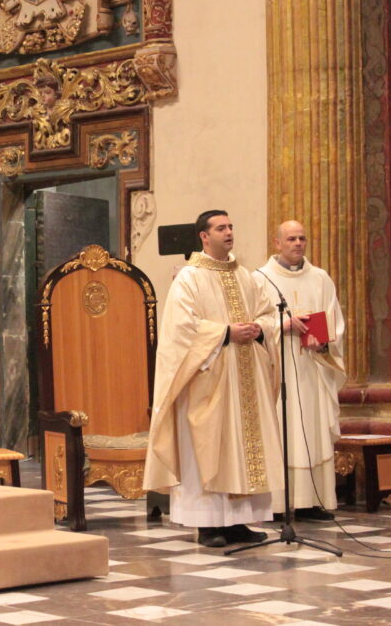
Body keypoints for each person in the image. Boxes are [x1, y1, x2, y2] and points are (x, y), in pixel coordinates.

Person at [144, 210, 284, 547]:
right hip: (209, 379)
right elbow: (180, 330)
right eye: (221, 228)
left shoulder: (246, 276)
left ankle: (238, 523)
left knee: (243, 449)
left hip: (245, 378)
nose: (229, 232)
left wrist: (259, 328)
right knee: (209, 447)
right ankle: (207, 525)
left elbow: (267, 313)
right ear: (204, 237)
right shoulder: (189, 278)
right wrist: (225, 332)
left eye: (231, 226)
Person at [253, 220, 346, 521]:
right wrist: (284, 325)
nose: (297, 244)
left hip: (312, 367)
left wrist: (324, 343)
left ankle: (312, 501)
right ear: (277, 243)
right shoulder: (260, 279)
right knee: (282, 430)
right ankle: (279, 504)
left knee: (313, 429)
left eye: (302, 238)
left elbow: (336, 322)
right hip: (277, 369)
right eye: (291, 239)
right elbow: (254, 324)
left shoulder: (320, 278)